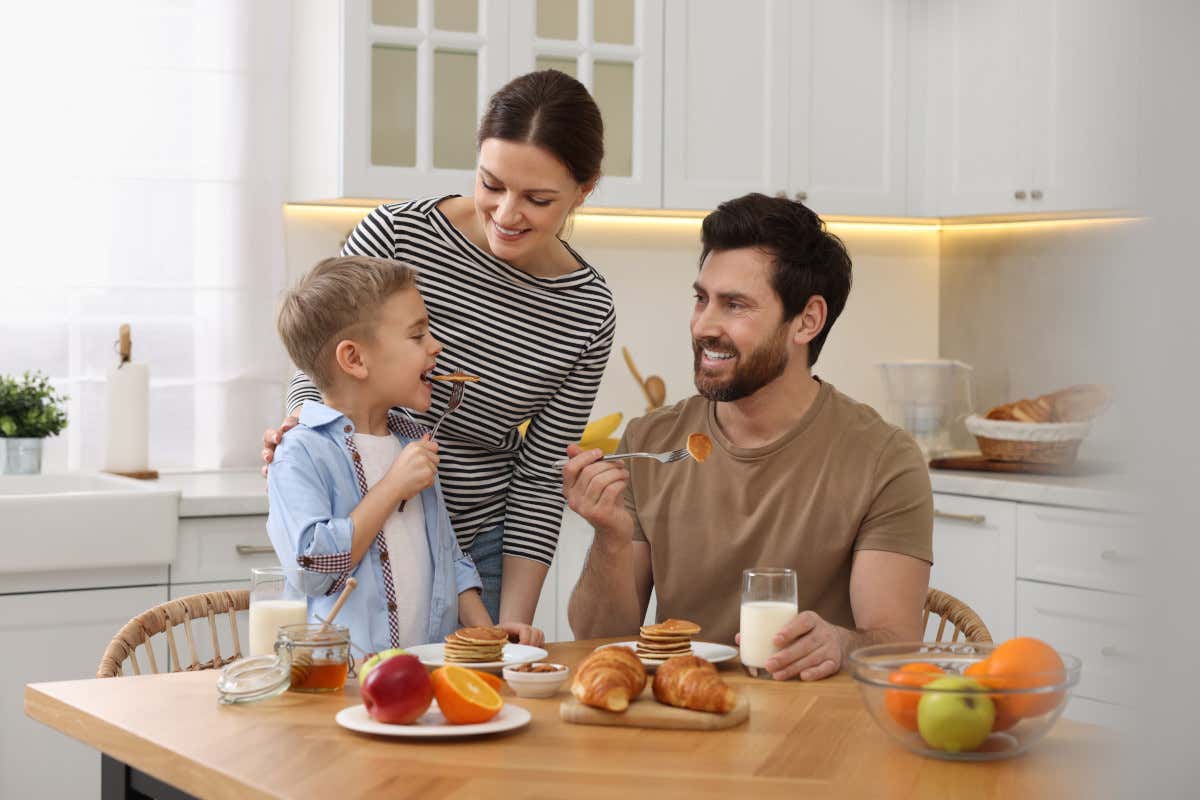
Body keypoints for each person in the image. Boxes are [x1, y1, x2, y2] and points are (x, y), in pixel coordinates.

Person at [262, 70, 614, 631]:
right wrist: (303, 427)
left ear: (583, 190)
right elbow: (325, 358)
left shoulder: (587, 312)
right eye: (491, 184)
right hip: (360, 529)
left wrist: (510, 633)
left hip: (473, 550)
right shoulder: (397, 233)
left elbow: (540, 476)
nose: (505, 213)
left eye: (538, 199)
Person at [563, 193, 933, 681]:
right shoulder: (652, 441)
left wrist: (841, 643)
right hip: (682, 714)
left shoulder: (884, 459)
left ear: (807, 320)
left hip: (814, 726)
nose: (703, 326)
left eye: (734, 305)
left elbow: (895, 647)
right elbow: (600, 641)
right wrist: (609, 539)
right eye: (702, 299)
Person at [267, 255, 541, 652]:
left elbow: (450, 560)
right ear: (355, 359)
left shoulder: (414, 441)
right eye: (417, 336)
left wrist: (491, 637)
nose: (436, 346)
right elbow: (313, 568)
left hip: (425, 673)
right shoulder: (299, 452)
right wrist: (392, 487)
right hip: (341, 685)